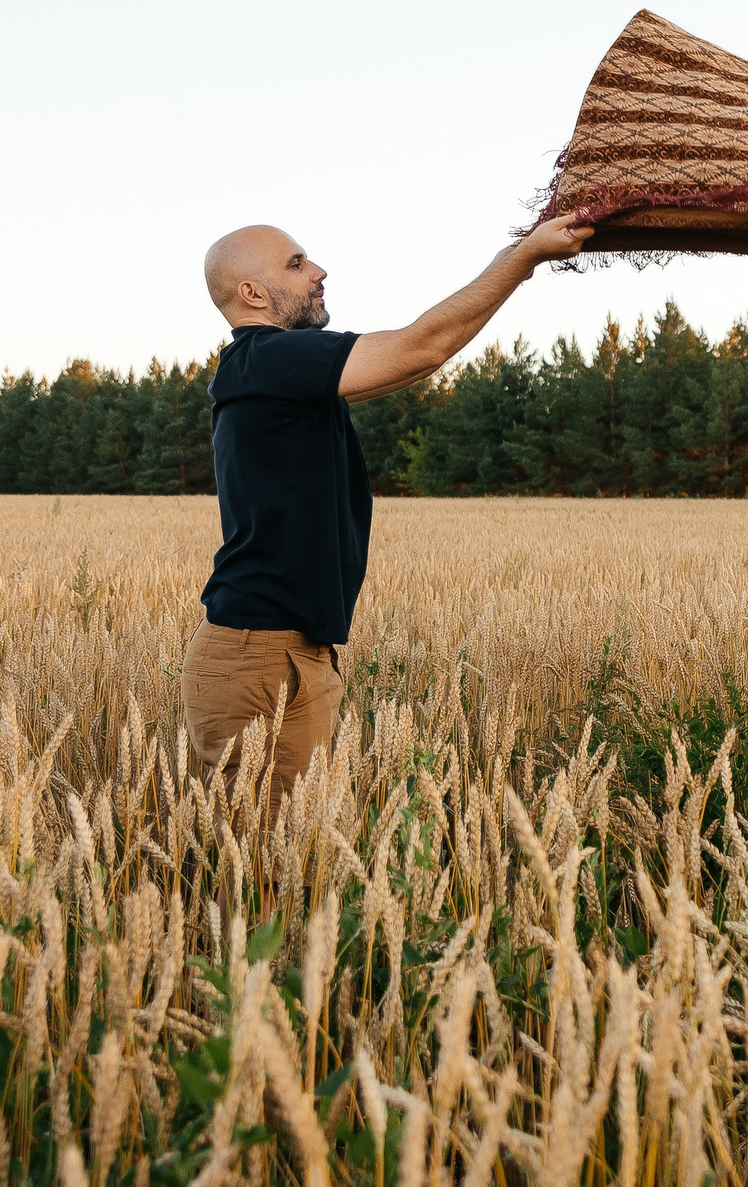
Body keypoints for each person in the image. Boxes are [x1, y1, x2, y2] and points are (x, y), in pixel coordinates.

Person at [183, 212, 592, 796]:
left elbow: (418, 360)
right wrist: (523, 258)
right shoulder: (265, 358)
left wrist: (522, 257)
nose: (319, 271)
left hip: (290, 649)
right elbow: (421, 347)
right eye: (296, 264)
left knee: (298, 843)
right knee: (265, 849)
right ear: (251, 293)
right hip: (260, 654)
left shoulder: (273, 372)